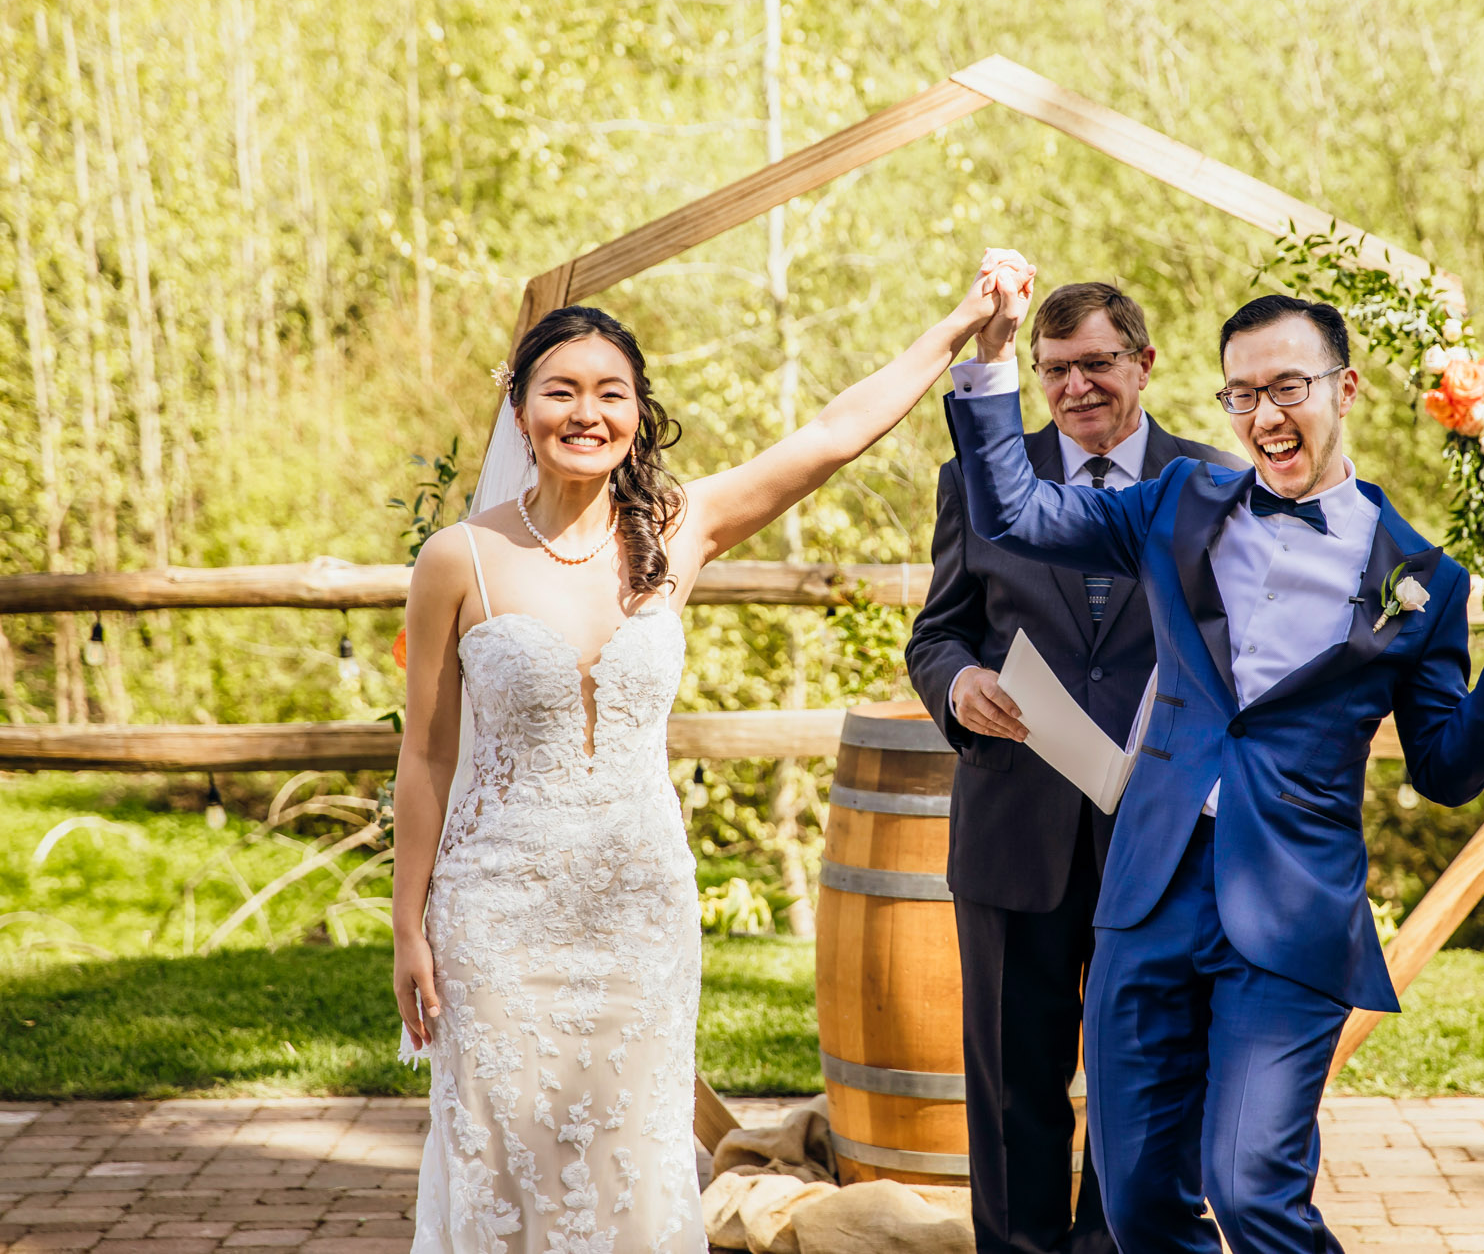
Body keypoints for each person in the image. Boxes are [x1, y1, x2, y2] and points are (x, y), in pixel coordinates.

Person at [391, 256, 1028, 1254]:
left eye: (611, 392)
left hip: (641, 902)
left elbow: (829, 437)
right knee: (503, 1154)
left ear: (639, 414)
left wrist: (961, 320)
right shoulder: (456, 561)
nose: (586, 412)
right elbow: (425, 758)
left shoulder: (675, 530)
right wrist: (408, 926)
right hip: (495, 910)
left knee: (635, 1148)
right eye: (560, 391)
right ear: (519, 411)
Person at [943, 272, 1484, 1254]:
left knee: (1251, 1194)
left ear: (1345, 389)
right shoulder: (1180, 502)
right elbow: (1017, 515)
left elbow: (1445, 767)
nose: (1263, 415)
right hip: (1145, 893)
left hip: (1289, 906)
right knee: (1139, 1205)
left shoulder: (1420, 580)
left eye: (1287, 387)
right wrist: (989, 353)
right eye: (1240, 394)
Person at [907, 282, 1240, 1254]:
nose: (1075, 385)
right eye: (1054, 369)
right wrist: (958, 682)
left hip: (1162, 834)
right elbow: (937, 634)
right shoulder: (976, 475)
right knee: (1012, 1080)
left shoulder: (1218, 484)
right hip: (1016, 821)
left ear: (1143, 362)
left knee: (1146, 1079)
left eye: (1096, 363)